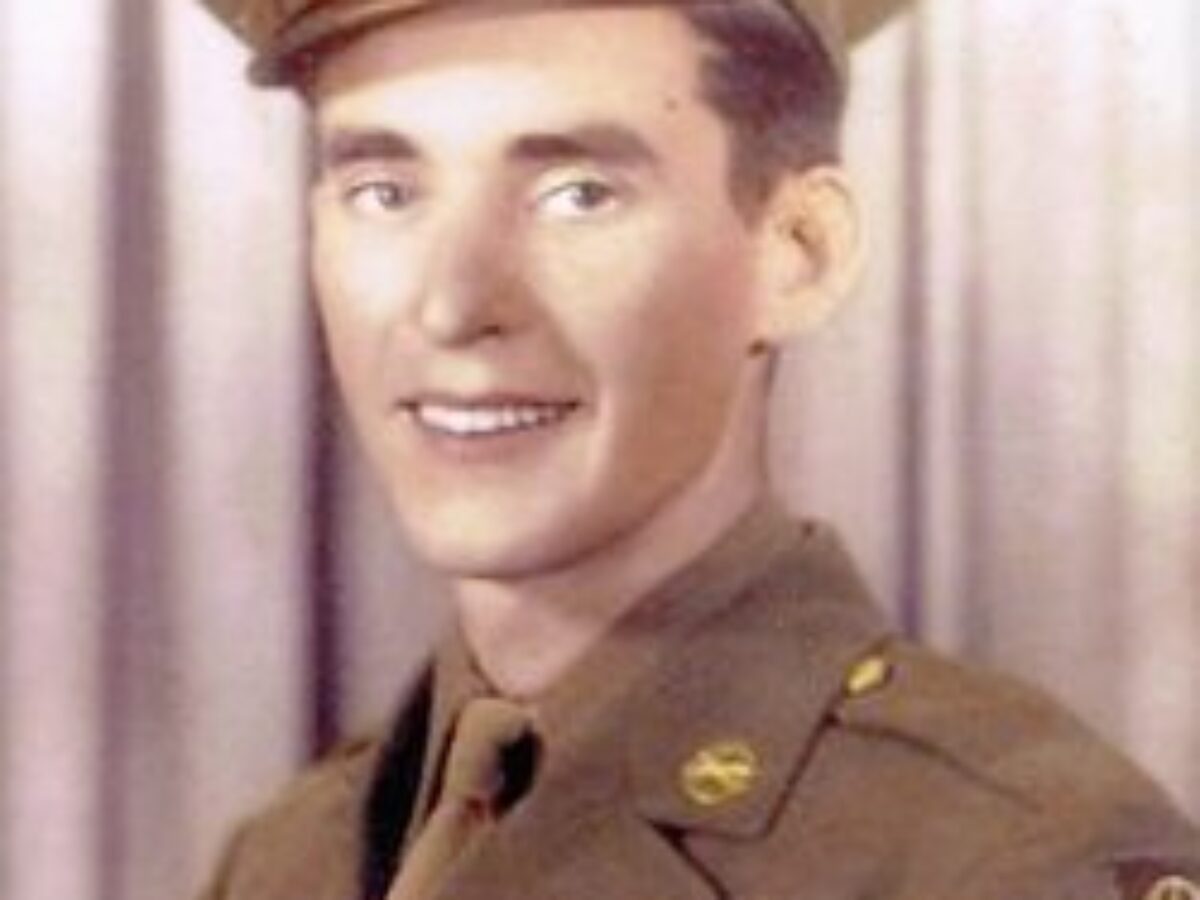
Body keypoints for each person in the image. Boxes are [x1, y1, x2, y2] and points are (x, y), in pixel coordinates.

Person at [194, 1, 1200, 897]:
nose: (453, 305)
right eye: (385, 191)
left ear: (799, 253)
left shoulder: (1008, 861)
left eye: (579, 193)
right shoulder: (291, 860)